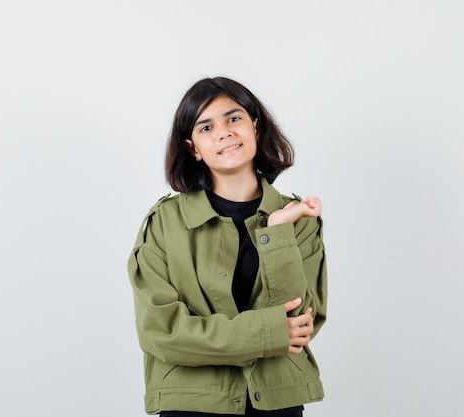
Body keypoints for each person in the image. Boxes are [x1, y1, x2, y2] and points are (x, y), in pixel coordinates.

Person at [127, 76, 328, 416]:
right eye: (206, 128)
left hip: (278, 402)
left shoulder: (298, 217)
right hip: (192, 404)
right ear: (193, 148)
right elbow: (161, 332)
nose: (223, 132)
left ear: (256, 127)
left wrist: (277, 231)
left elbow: (300, 323)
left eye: (233, 118)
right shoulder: (164, 223)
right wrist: (266, 333)